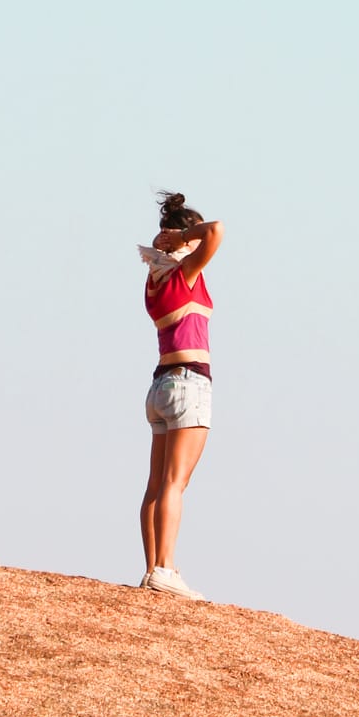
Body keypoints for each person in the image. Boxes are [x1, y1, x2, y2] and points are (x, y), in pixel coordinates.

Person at [137, 191, 224, 599]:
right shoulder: (183, 272)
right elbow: (216, 232)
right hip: (189, 382)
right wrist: (184, 237)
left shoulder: (155, 279)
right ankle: (166, 568)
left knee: (156, 483)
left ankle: (153, 567)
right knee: (175, 482)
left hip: (160, 385)